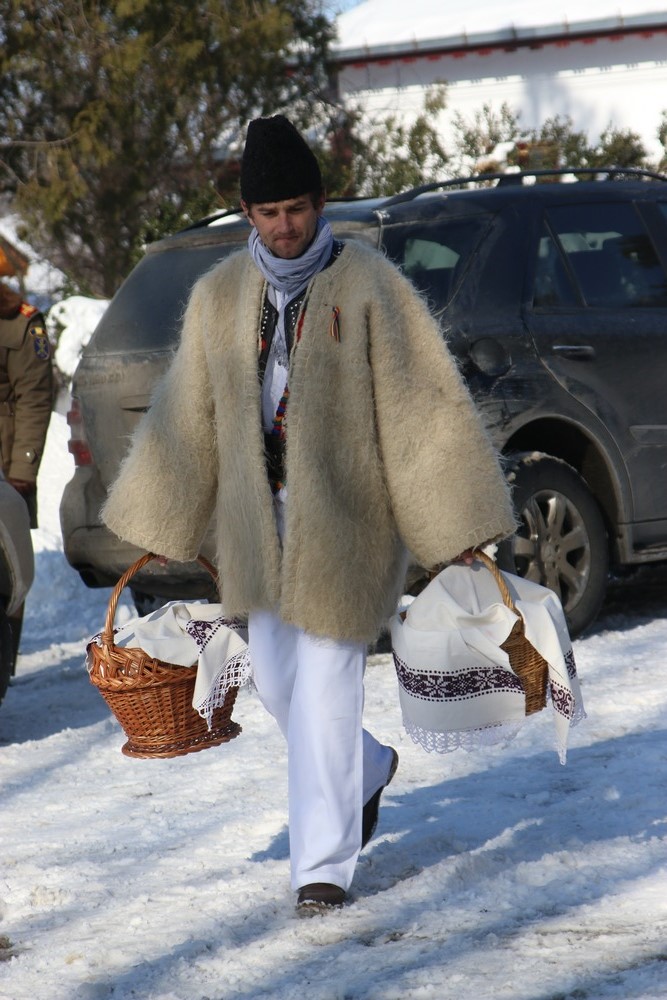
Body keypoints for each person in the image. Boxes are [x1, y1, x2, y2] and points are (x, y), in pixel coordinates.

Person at [101, 115, 516, 913]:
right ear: (247, 216)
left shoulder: (368, 284)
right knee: (279, 686)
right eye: (269, 212)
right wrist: (162, 514)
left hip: (347, 521)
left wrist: (452, 522)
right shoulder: (219, 295)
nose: (285, 226)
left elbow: (418, 403)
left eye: (296, 208)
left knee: (326, 684)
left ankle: (320, 866)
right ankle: (364, 768)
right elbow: (186, 409)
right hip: (257, 524)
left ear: (320, 203)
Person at [0, 279, 54, 662]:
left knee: (8, 568)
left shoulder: (20, 323)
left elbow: (34, 398)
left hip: (5, 470)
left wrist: (22, 471)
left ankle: (4, 660)